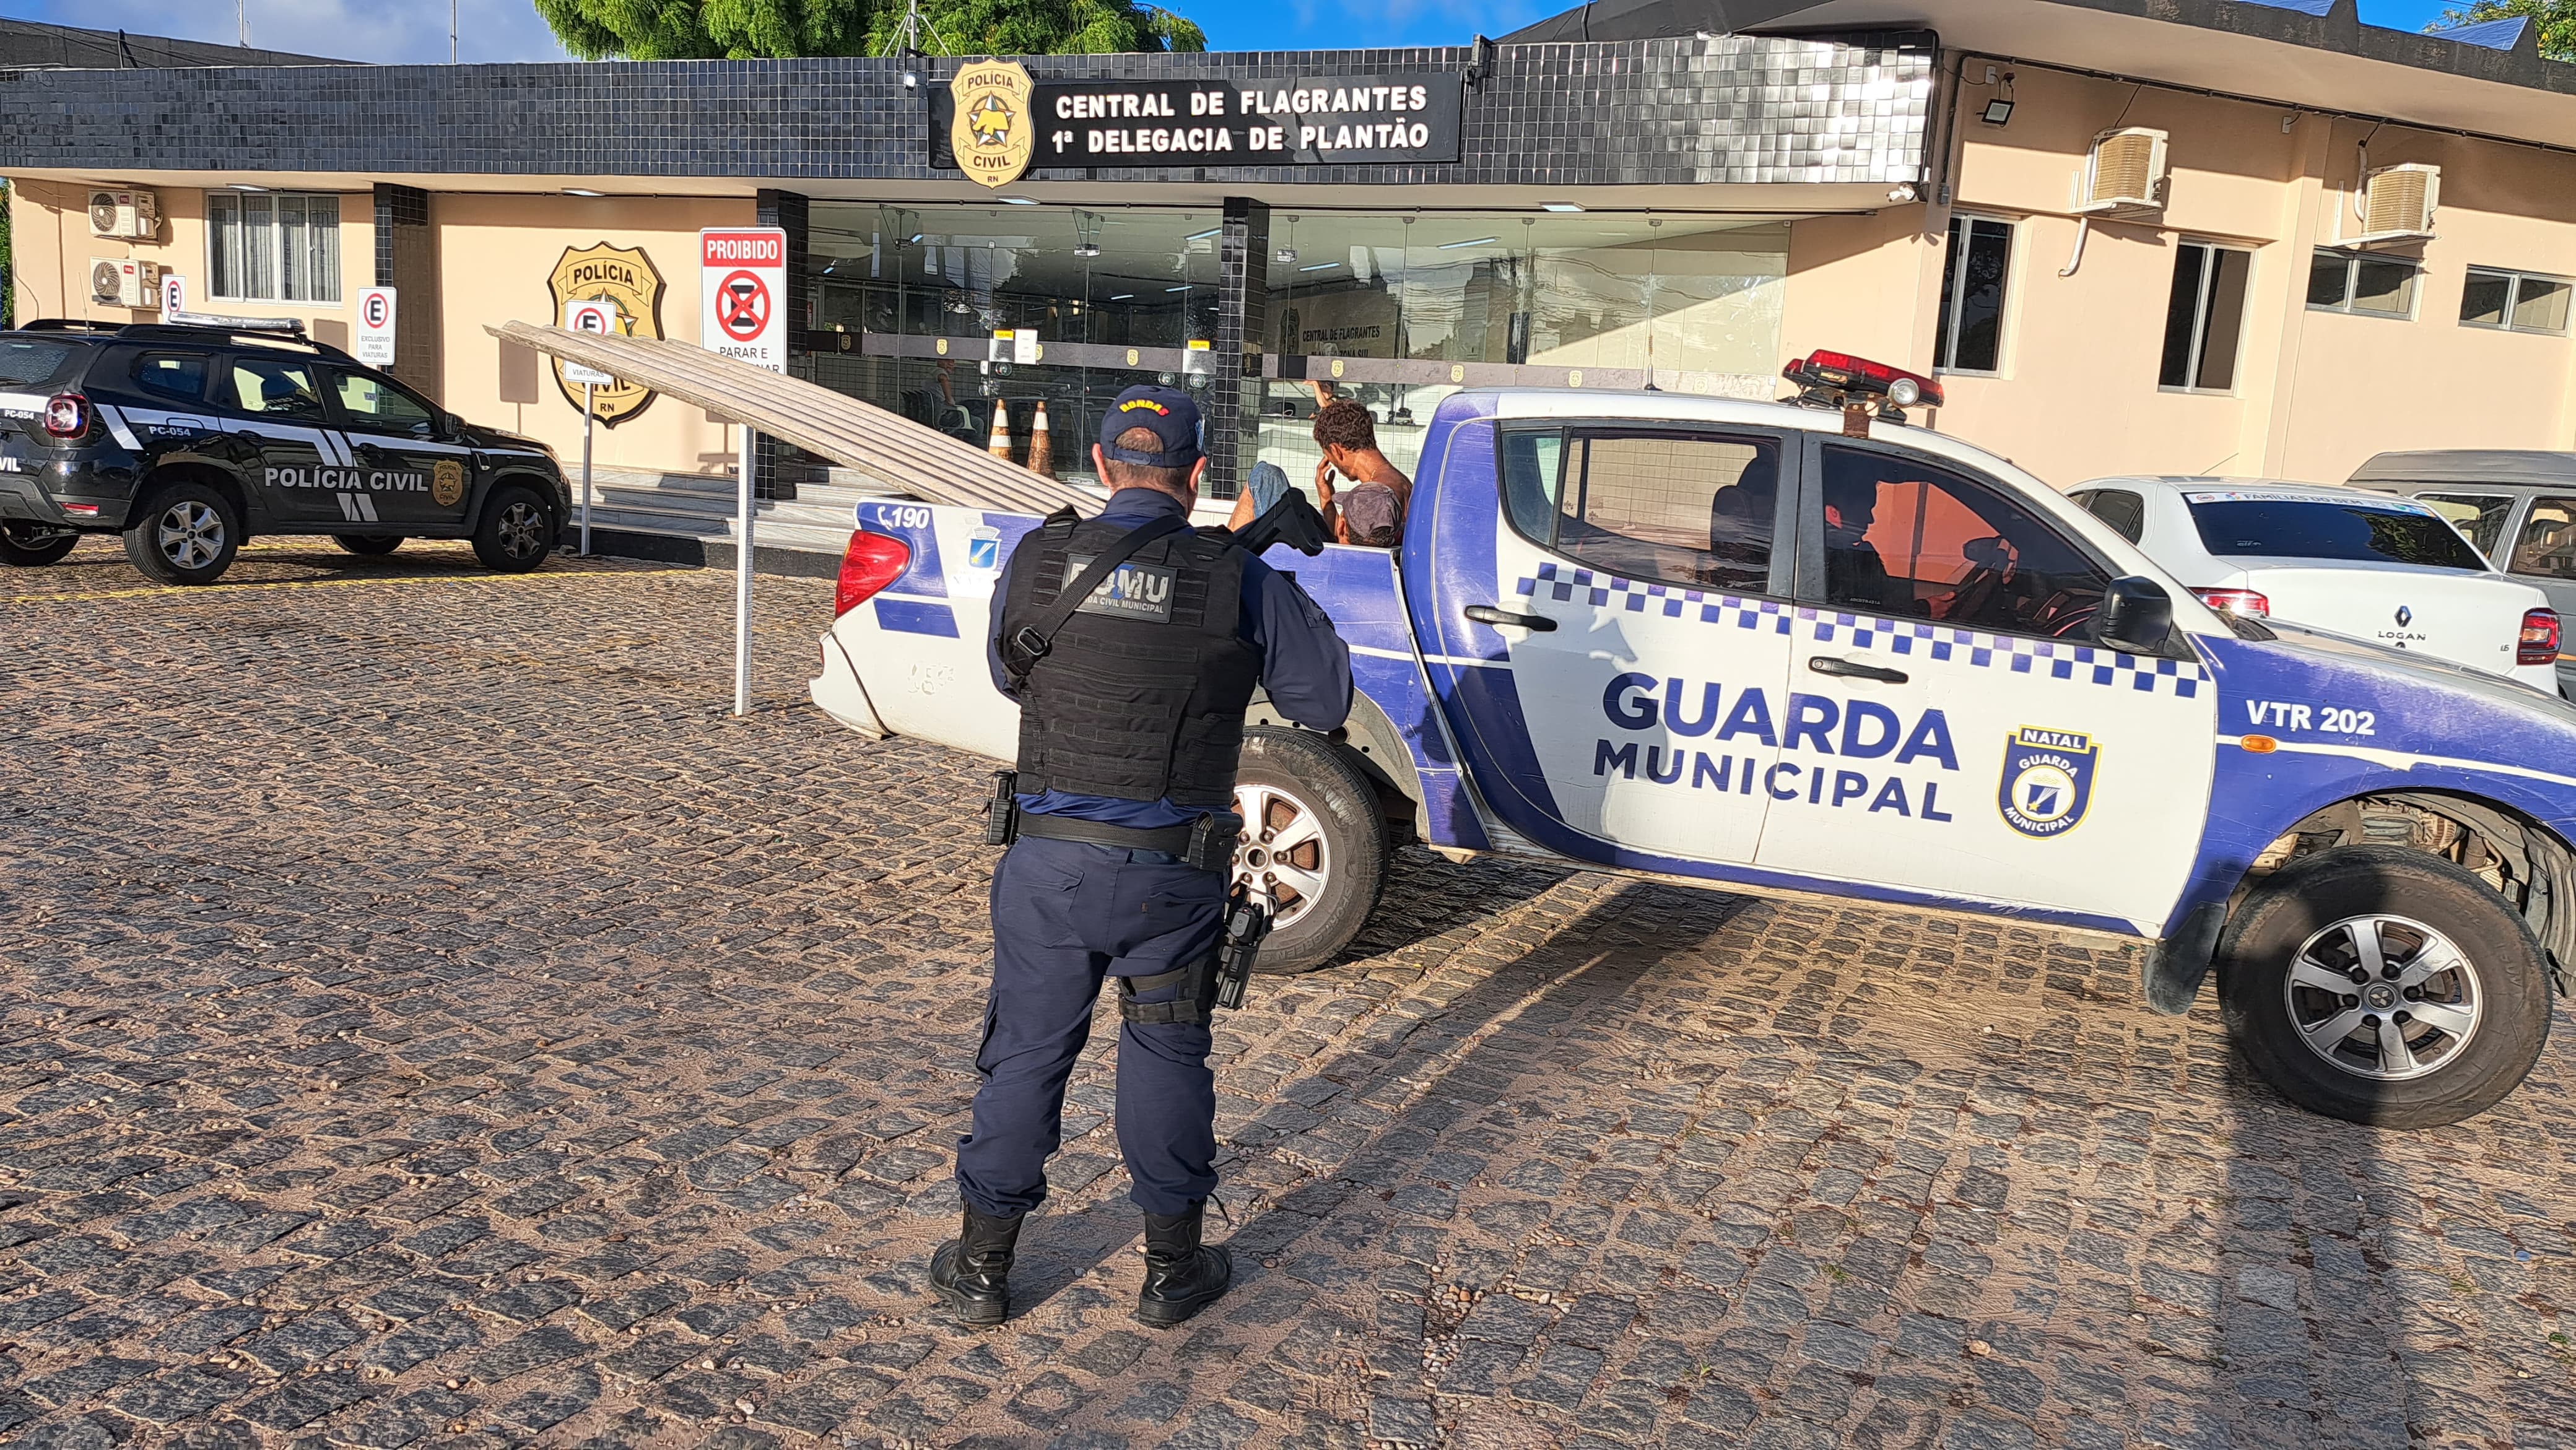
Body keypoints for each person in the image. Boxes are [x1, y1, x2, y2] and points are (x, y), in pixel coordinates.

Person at [936, 385, 1353, 1330]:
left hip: (1048, 867)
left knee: (1026, 1056)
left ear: (1098, 463)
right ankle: (1172, 1269)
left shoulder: (1040, 556)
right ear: (1198, 473)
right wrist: (1254, 576)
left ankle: (979, 1268)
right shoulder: (1238, 577)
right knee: (1167, 1049)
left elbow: (1011, 672)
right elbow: (1324, 697)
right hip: (1172, 874)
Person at [1309, 399, 1410, 548]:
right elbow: (1345, 537)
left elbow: (1356, 556)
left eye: (1328, 456)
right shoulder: (1394, 481)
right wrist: (1327, 500)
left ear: (1336, 451)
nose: (1333, 464)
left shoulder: (1377, 498)